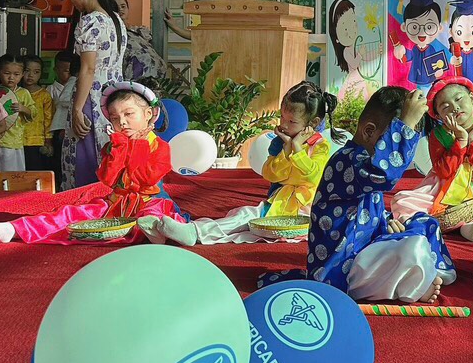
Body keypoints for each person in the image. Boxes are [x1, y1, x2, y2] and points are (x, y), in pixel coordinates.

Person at [258, 86, 454, 303]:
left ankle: (425, 272)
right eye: (393, 137)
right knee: (412, 246)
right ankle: (417, 281)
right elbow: (384, 173)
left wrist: (387, 222)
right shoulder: (347, 160)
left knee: (425, 223)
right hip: (342, 269)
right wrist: (405, 124)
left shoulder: (361, 160)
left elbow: (367, 210)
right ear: (369, 131)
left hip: (364, 249)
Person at [0, 83, 185, 244]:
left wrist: (134, 146)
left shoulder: (159, 147)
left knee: (154, 215)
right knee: (70, 213)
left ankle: (156, 231)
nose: (122, 122)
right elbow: (108, 179)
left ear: (148, 114)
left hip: (150, 201)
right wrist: (118, 148)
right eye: (115, 118)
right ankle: (16, 229)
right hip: (115, 204)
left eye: (129, 114)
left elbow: (145, 180)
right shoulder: (114, 145)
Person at [141, 82, 336, 246]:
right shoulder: (281, 144)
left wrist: (298, 149)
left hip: (304, 213)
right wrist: (286, 150)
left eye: (291, 121)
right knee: (244, 216)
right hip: (279, 204)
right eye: (282, 118)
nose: (283, 125)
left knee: (246, 222)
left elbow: (313, 177)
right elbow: (271, 174)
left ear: (313, 122)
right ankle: (188, 231)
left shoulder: (320, 146)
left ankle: (192, 232)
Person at [391, 77, 473, 242]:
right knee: (402, 201)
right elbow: (443, 171)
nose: (454, 107)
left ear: (472, 99)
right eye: (445, 107)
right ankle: (472, 226)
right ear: (439, 115)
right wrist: (461, 141)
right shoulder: (438, 135)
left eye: (459, 99)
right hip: (439, 188)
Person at [63, 0, 125, 189]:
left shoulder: (89, 22)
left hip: (92, 98)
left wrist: (77, 109)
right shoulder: (115, 19)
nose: (70, 0)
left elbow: (88, 69)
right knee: (107, 156)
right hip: (114, 97)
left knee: (85, 160)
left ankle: (85, 204)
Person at [0, 53, 35, 173]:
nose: (11, 77)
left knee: (11, 174)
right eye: (7, 73)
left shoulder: (23, 93)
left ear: (22, 74)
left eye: (16, 74)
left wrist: (23, 108)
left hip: (12, 141)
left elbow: (33, 112)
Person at [110, 0, 169, 82]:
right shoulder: (112, 34)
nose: (120, 10)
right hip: (134, 81)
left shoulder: (140, 31)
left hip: (156, 79)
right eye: (116, 7)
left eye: (123, 6)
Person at [20, 56, 55, 172]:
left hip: (37, 141)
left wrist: (48, 140)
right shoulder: (15, 93)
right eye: (27, 71)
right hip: (16, 140)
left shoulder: (44, 95)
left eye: (36, 72)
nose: (31, 75)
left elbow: (48, 119)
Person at [47, 50, 77, 178]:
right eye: (65, 71)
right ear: (56, 70)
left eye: (70, 71)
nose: (68, 74)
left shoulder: (74, 83)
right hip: (58, 129)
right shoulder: (51, 89)